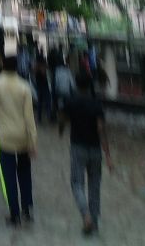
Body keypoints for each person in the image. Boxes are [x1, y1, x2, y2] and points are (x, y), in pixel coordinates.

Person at [59, 67, 114, 236]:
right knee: (95, 185)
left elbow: (63, 119)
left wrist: (61, 130)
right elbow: (101, 129)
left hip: (78, 148)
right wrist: (108, 156)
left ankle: (86, 216)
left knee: (77, 183)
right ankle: (95, 222)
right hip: (95, 149)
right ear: (90, 85)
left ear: (76, 83)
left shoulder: (70, 101)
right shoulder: (96, 104)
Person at [0, 54, 37, 227]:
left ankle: (14, 214)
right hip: (23, 136)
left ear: (3, 66)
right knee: (24, 173)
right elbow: (30, 117)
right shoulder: (25, 87)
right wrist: (33, 142)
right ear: (17, 67)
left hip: (5, 135)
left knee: (8, 175)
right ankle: (27, 209)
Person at [34, 52, 53, 123]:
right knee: (48, 102)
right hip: (44, 86)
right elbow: (45, 75)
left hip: (39, 86)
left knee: (40, 103)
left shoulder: (35, 66)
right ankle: (49, 117)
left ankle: (39, 118)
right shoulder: (42, 66)